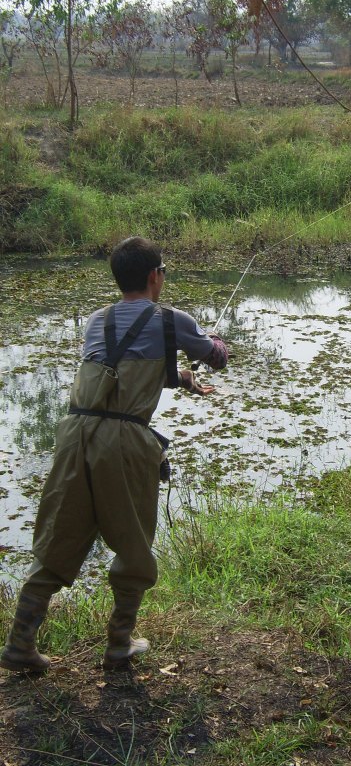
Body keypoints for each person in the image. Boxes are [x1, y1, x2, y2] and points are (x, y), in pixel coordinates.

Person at [0, 236, 228, 673]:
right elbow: (217, 357)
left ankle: (20, 644)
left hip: (74, 435)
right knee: (133, 541)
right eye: (164, 273)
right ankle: (119, 643)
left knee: (59, 534)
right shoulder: (172, 320)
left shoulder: (96, 321)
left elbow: (117, 376)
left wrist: (179, 378)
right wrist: (212, 341)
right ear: (154, 276)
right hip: (122, 443)